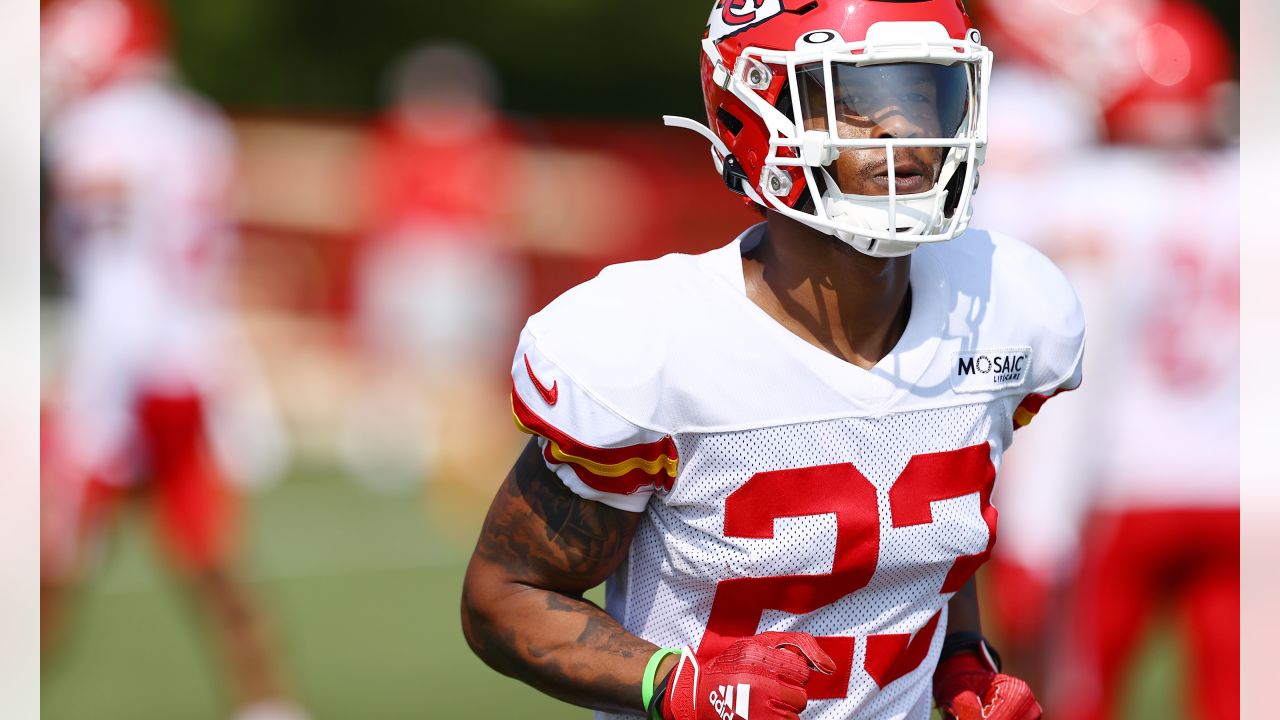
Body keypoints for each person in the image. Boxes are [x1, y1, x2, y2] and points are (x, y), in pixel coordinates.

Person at [461, 2, 1084, 718]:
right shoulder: (656, 340)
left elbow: (916, 541)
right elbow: (503, 597)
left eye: (923, 93)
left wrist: (962, 659)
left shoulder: (1004, 304)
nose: (905, 129)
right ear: (748, 115)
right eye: (855, 101)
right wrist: (679, 685)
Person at [40, 1, 302, 718]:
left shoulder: (93, 130)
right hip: (190, 359)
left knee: (41, 559)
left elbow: (108, 261)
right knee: (210, 558)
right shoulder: (195, 123)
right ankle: (269, 704)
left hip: (119, 368)